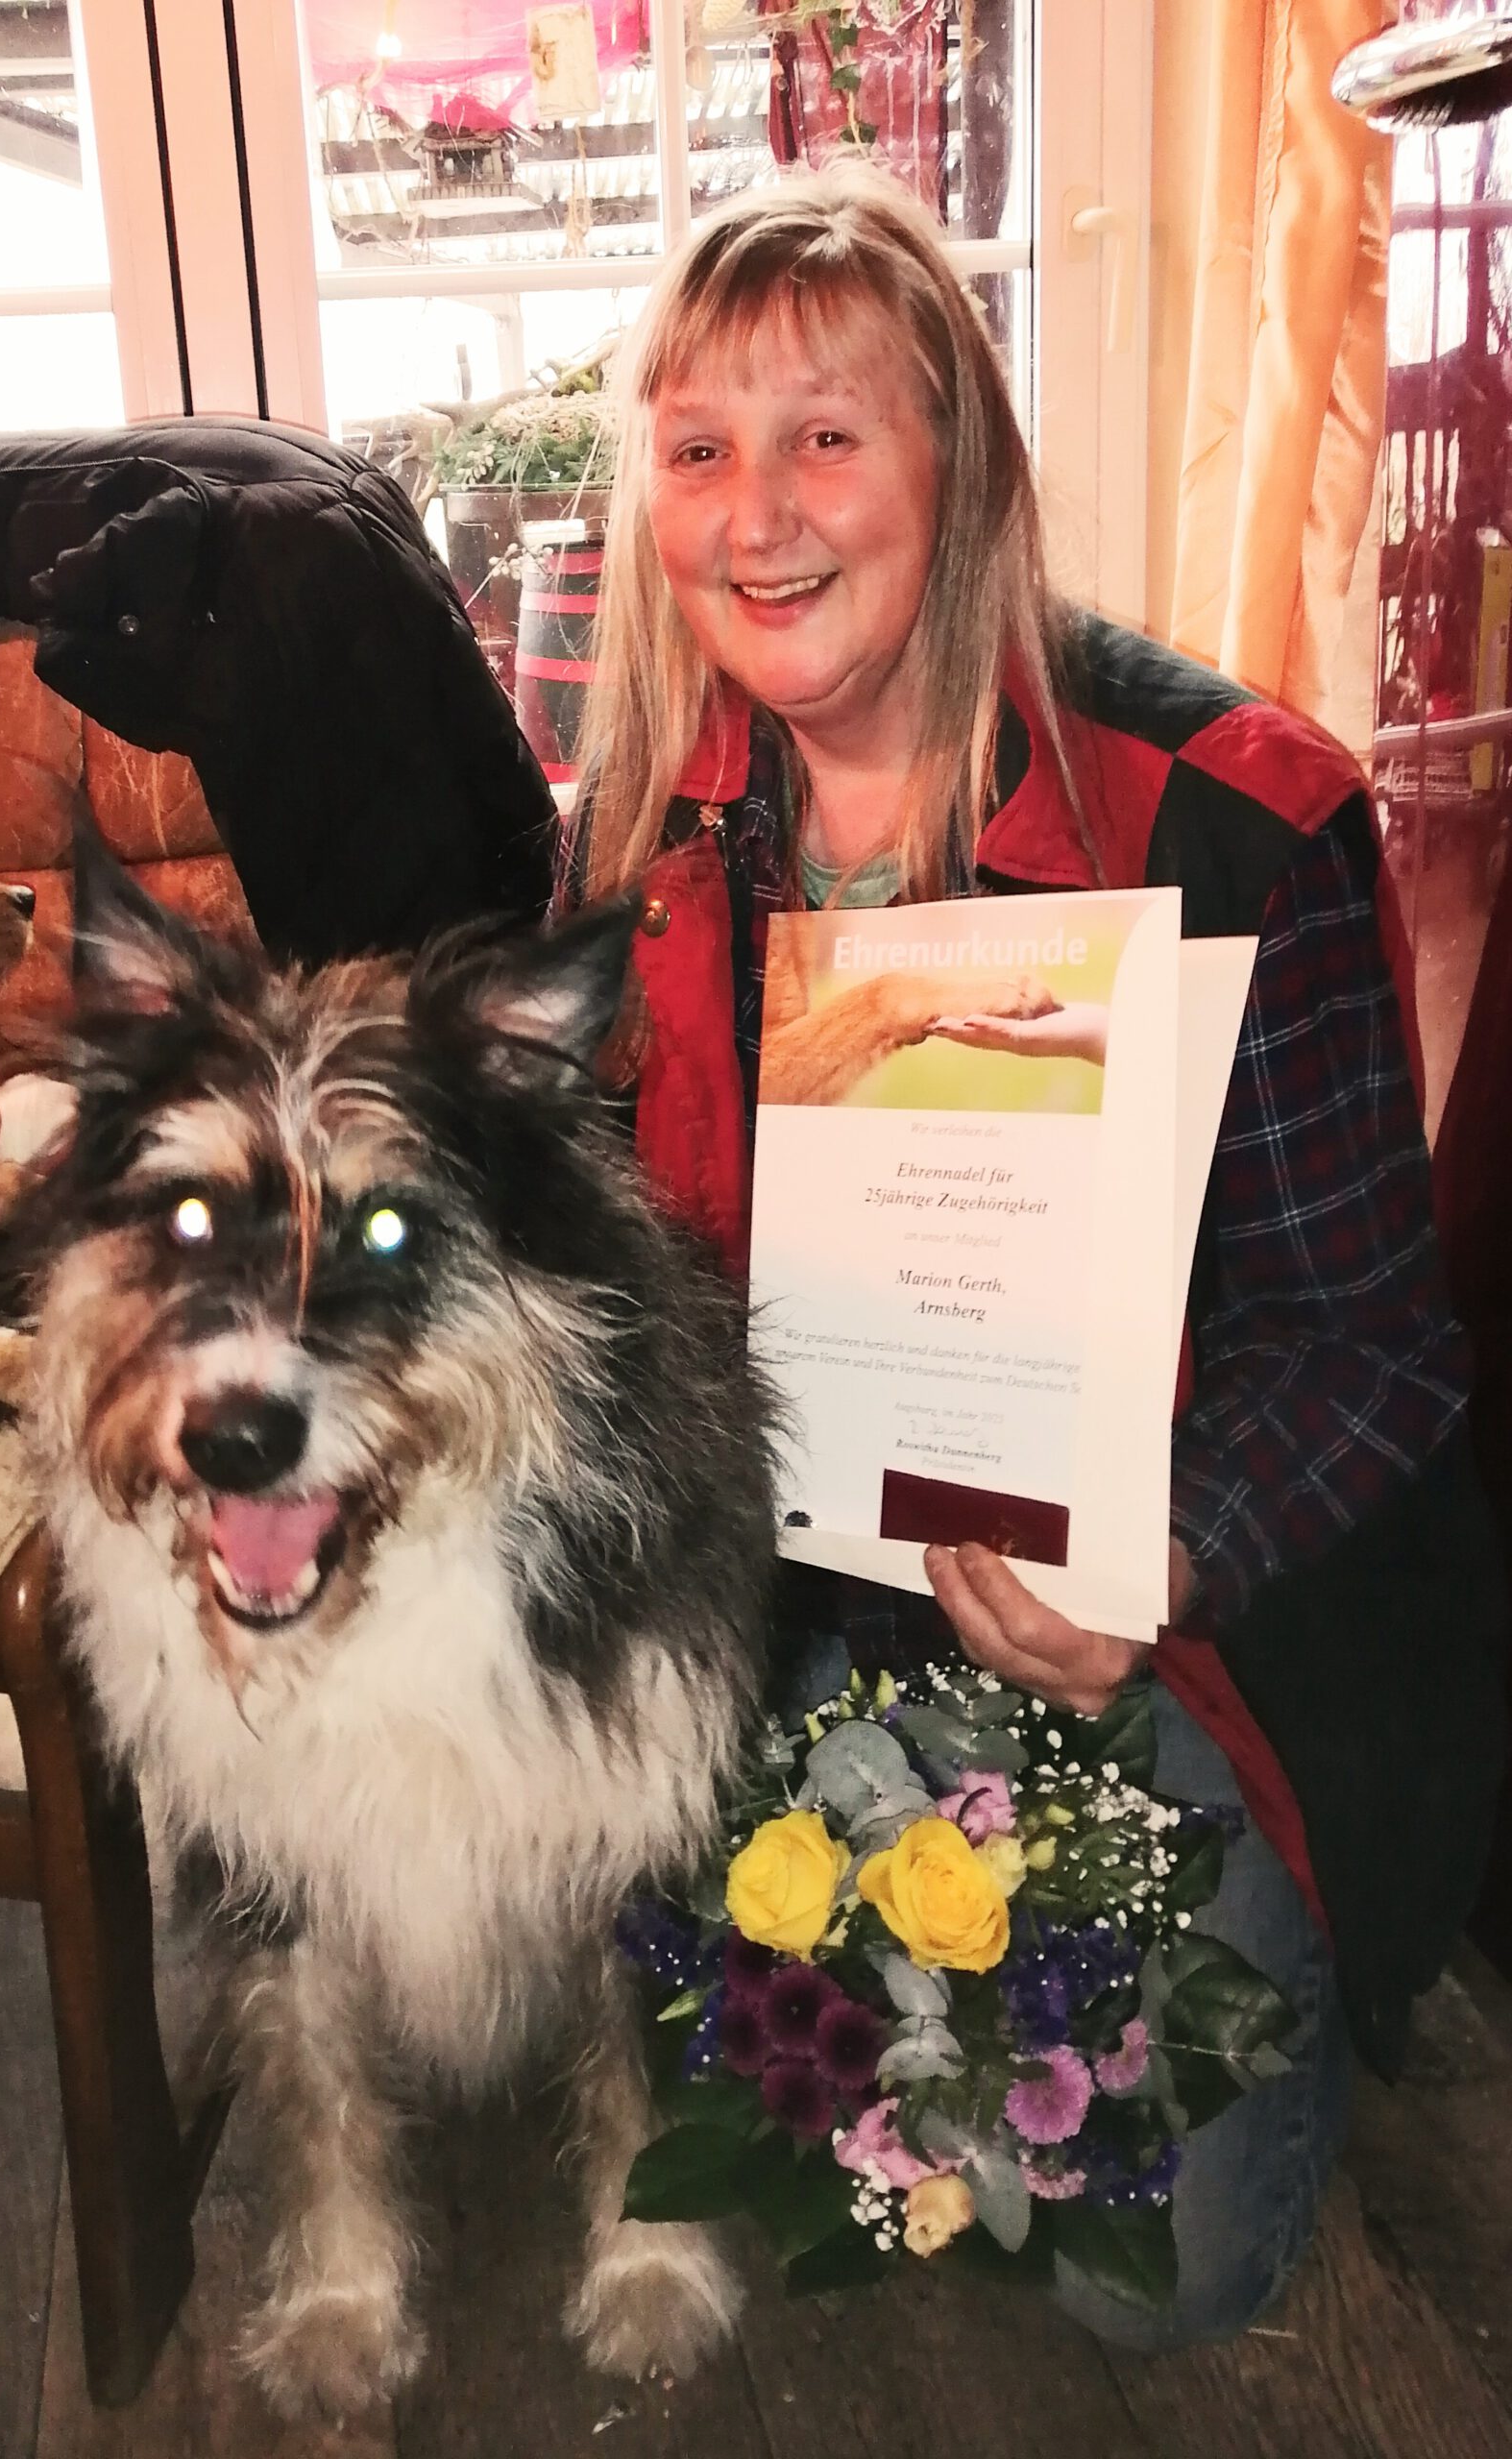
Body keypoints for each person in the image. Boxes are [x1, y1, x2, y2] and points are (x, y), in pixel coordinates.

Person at [561, 164, 1506, 2349]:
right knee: (694, 2046)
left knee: (1150, 2277)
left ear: (958, 461)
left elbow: (1375, 1344)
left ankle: (1278, 1962)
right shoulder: (640, 833)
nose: (756, 517)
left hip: (1157, 1631)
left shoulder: (1233, 818)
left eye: (826, 435)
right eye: (697, 450)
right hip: (792, 1600)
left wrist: (1161, 1553)